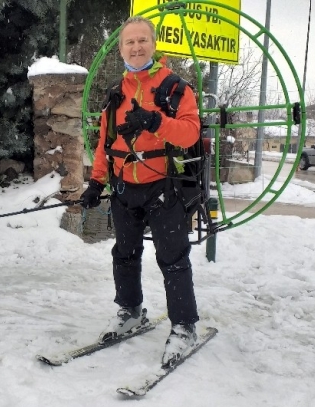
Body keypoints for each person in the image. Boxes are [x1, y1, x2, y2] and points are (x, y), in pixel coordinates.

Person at [80, 16, 201, 367]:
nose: (136, 47)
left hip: (163, 187)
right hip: (123, 187)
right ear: (120, 49)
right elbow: (105, 145)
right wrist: (95, 183)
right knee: (125, 253)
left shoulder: (175, 89)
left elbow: (190, 133)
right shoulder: (115, 95)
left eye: (142, 41)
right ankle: (130, 310)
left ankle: (184, 326)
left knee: (172, 259)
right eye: (129, 42)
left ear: (154, 44)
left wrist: (155, 121)